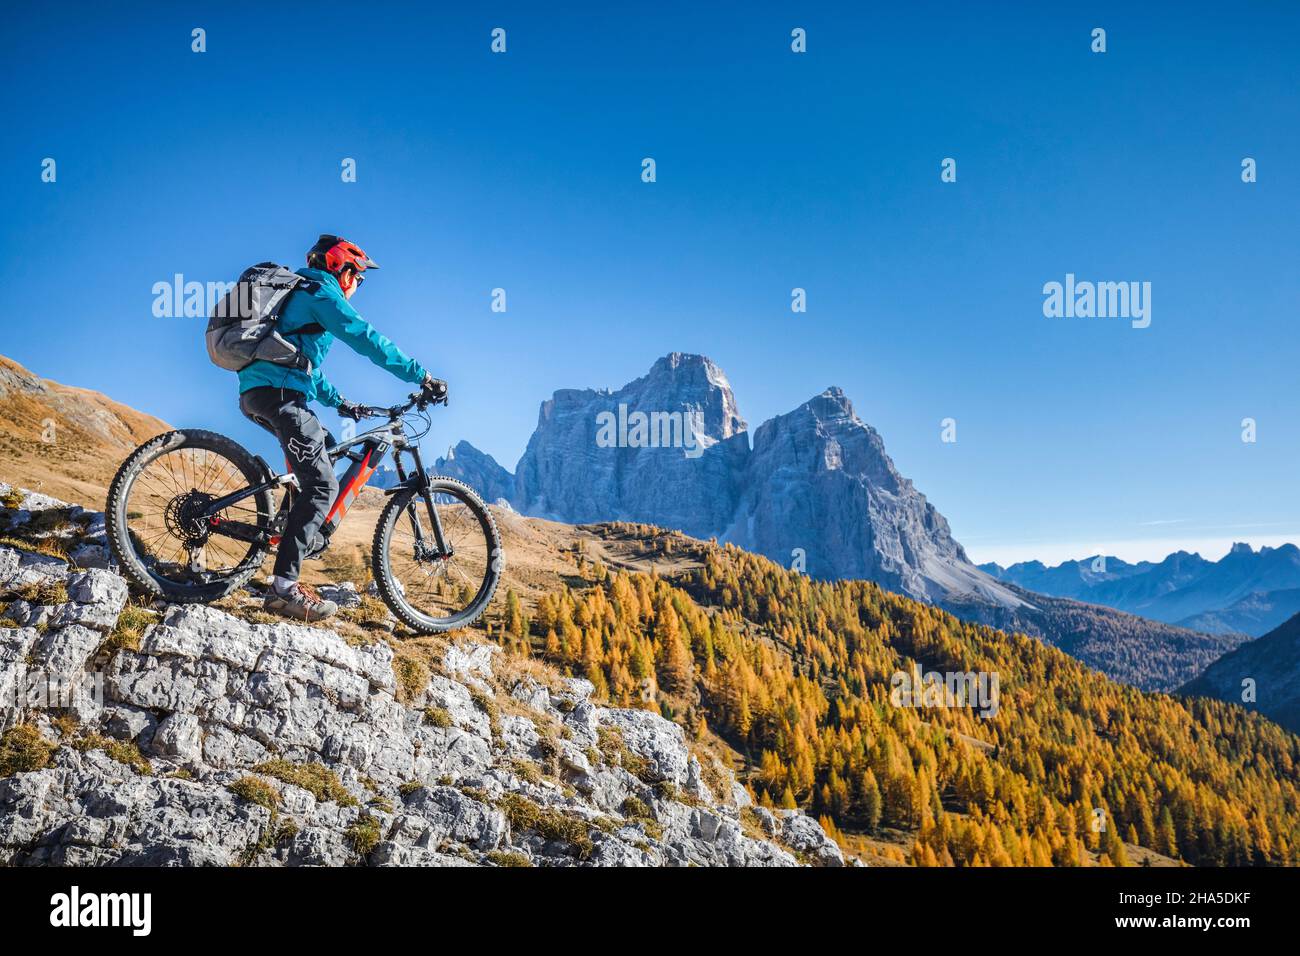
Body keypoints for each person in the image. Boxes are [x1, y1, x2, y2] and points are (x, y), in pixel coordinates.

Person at [238, 234, 445, 621]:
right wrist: (422, 376)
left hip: (265, 392)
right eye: (359, 278)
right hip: (280, 396)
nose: (358, 286)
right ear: (343, 268)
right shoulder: (322, 294)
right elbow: (366, 339)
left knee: (327, 450)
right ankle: (283, 589)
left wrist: (342, 403)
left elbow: (302, 364)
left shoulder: (304, 292)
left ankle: (286, 530)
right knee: (322, 486)